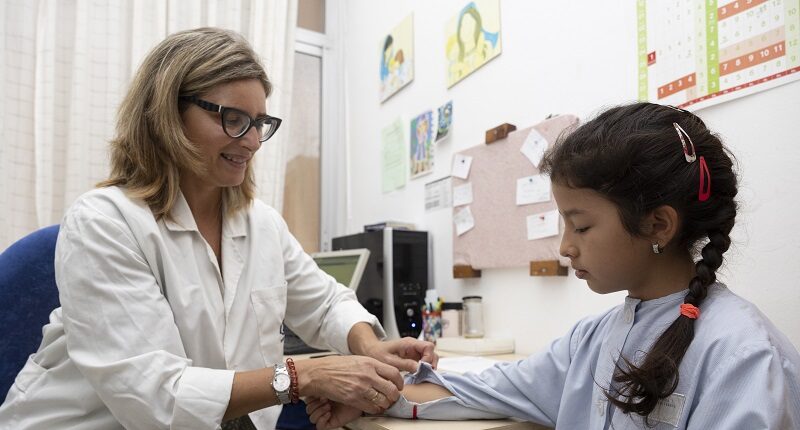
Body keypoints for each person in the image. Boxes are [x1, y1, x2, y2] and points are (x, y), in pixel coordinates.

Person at [0, 27, 437, 430]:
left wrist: (369, 346)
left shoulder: (259, 223)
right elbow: (155, 395)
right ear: (168, 114)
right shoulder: (104, 222)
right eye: (232, 118)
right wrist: (306, 375)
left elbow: (324, 304)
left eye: (260, 123)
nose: (249, 140)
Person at [305, 102, 800, 429]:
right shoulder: (591, 341)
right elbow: (492, 388)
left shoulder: (744, 358)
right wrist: (377, 394)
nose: (565, 248)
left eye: (580, 227)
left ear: (658, 226)